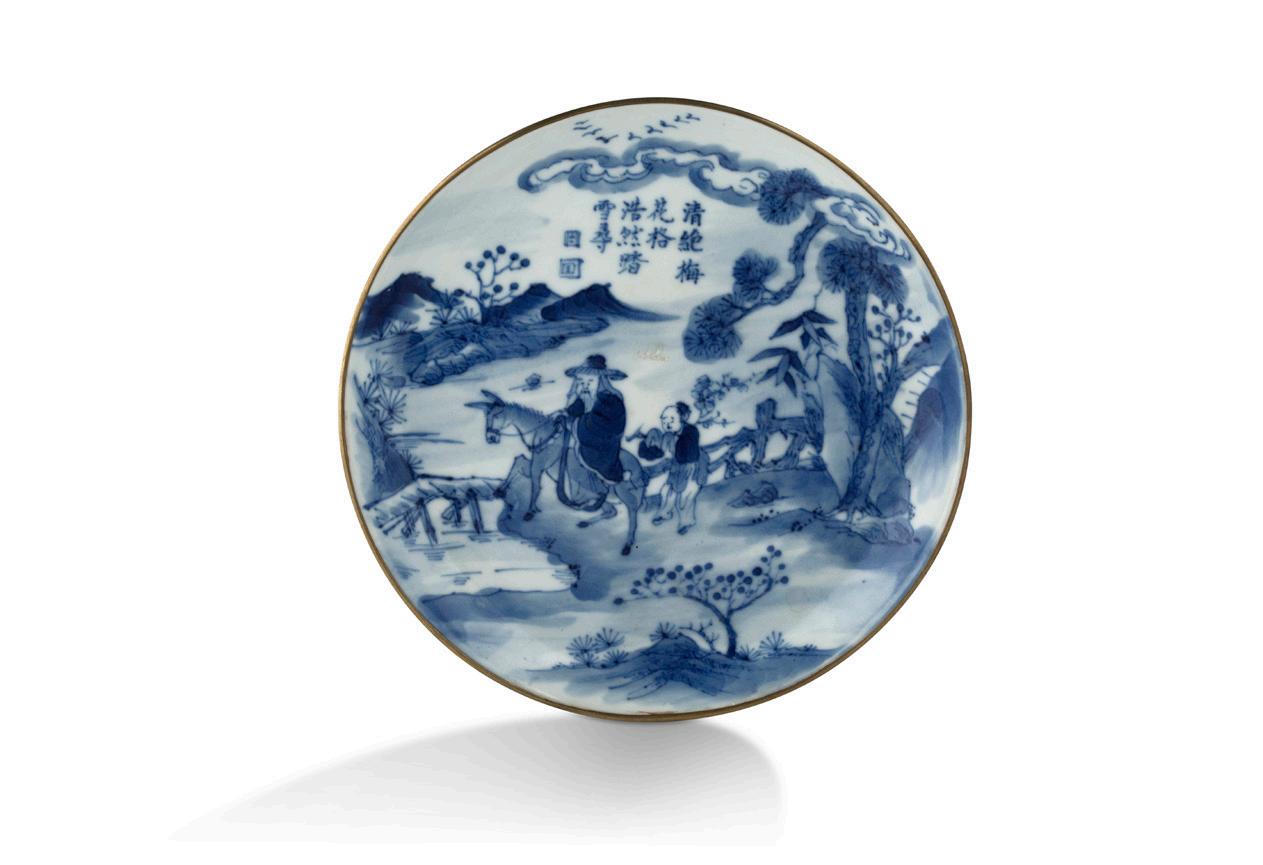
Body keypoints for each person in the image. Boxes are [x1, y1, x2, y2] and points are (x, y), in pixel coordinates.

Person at [637, 401, 707, 533]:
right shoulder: (669, 435)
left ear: (683, 418)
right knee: (666, 491)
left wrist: (673, 444)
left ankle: (686, 521)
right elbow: (660, 451)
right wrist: (648, 446)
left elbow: (688, 453)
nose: (667, 424)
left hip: (693, 467)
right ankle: (664, 513)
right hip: (677, 467)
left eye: (671, 420)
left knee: (687, 494)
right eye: (664, 420)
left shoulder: (691, 431)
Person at [563, 354, 628, 483]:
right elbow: (572, 411)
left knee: (602, 464)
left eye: (590, 381)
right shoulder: (586, 396)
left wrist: (572, 423)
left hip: (602, 452)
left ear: (602, 381)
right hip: (585, 447)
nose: (585, 386)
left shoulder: (611, 401)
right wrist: (564, 413)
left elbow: (596, 428)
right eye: (581, 382)